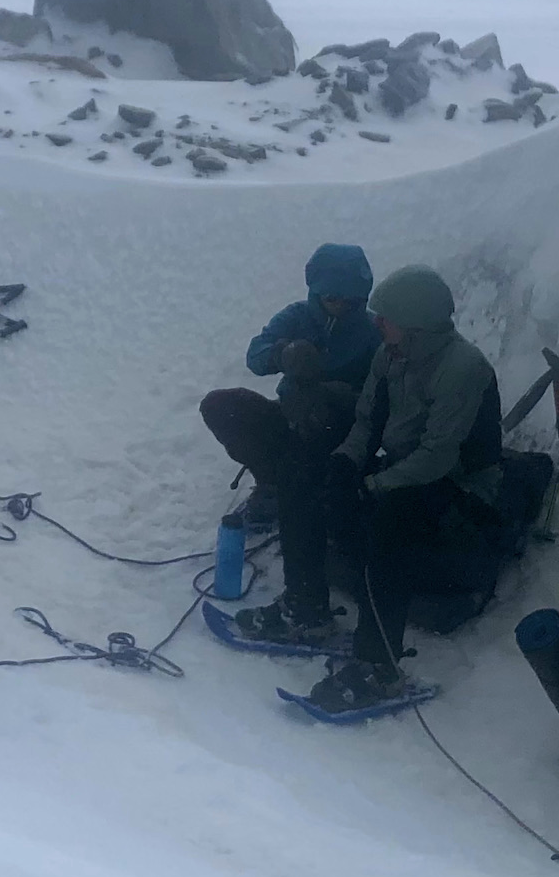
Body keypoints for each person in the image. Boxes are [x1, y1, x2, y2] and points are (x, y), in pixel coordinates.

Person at [305, 263, 503, 714]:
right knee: (322, 485)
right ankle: (309, 607)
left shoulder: (462, 367)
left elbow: (439, 455)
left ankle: (380, 666)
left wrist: (374, 485)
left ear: (415, 323)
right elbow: (367, 423)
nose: (377, 324)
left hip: (460, 484)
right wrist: (344, 464)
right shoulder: (390, 356)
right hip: (403, 470)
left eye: (385, 317)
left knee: (392, 525)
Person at [201, 243, 380, 640]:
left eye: (350, 299)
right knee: (223, 406)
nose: (340, 305)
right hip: (292, 421)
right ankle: (272, 484)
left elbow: (381, 397)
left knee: (303, 486)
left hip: (339, 437)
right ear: (316, 292)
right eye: (332, 297)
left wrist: (336, 396)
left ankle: (306, 605)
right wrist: (285, 354)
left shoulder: (371, 333)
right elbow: (256, 353)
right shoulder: (298, 317)